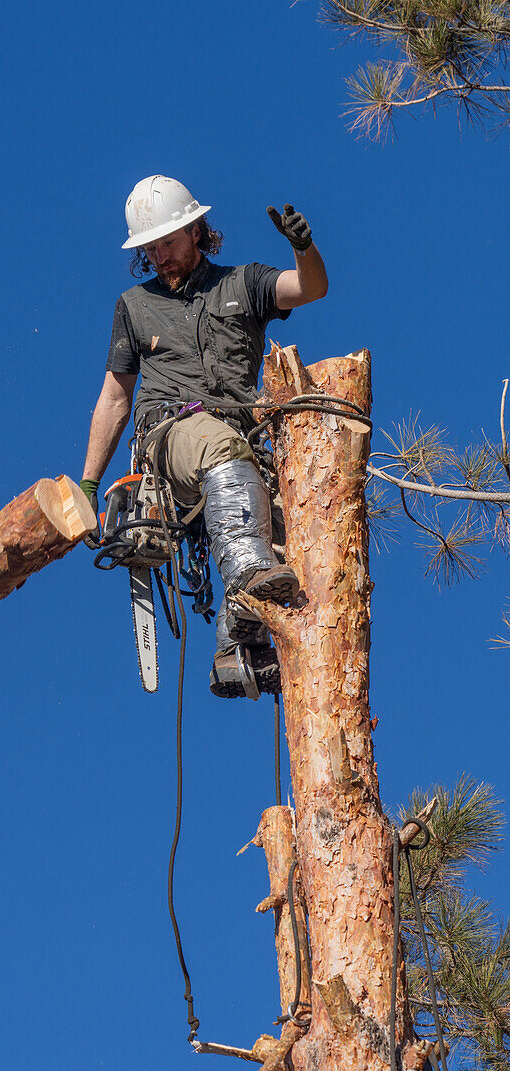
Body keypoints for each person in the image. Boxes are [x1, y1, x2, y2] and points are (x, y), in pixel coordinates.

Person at [80, 175, 328, 698]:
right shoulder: (134, 304)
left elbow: (310, 288)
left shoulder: (244, 283)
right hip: (170, 432)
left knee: (294, 531)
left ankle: (239, 653)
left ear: (195, 230)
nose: (159, 257)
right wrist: (87, 483)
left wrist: (303, 248)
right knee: (219, 448)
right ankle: (244, 579)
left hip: (241, 442)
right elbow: (115, 397)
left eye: (167, 243)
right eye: (150, 249)